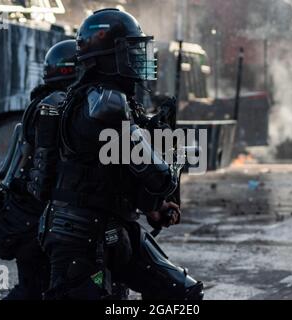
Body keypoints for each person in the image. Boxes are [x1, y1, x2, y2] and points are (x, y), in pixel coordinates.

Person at [35, 8, 204, 300]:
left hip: (112, 226)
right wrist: (176, 155)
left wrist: (154, 207)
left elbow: (117, 170)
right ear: (109, 57)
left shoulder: (101, 99)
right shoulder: (106, 104)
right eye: (130, 50)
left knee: (182, 295)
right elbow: (157, 176)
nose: (139, 58)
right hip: (80, 236)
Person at [0, 39, 78, 300]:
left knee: (34, 288)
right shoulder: (58, 108)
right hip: (38, 220)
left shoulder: (40, 103)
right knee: (37, 290)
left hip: (26, 216)